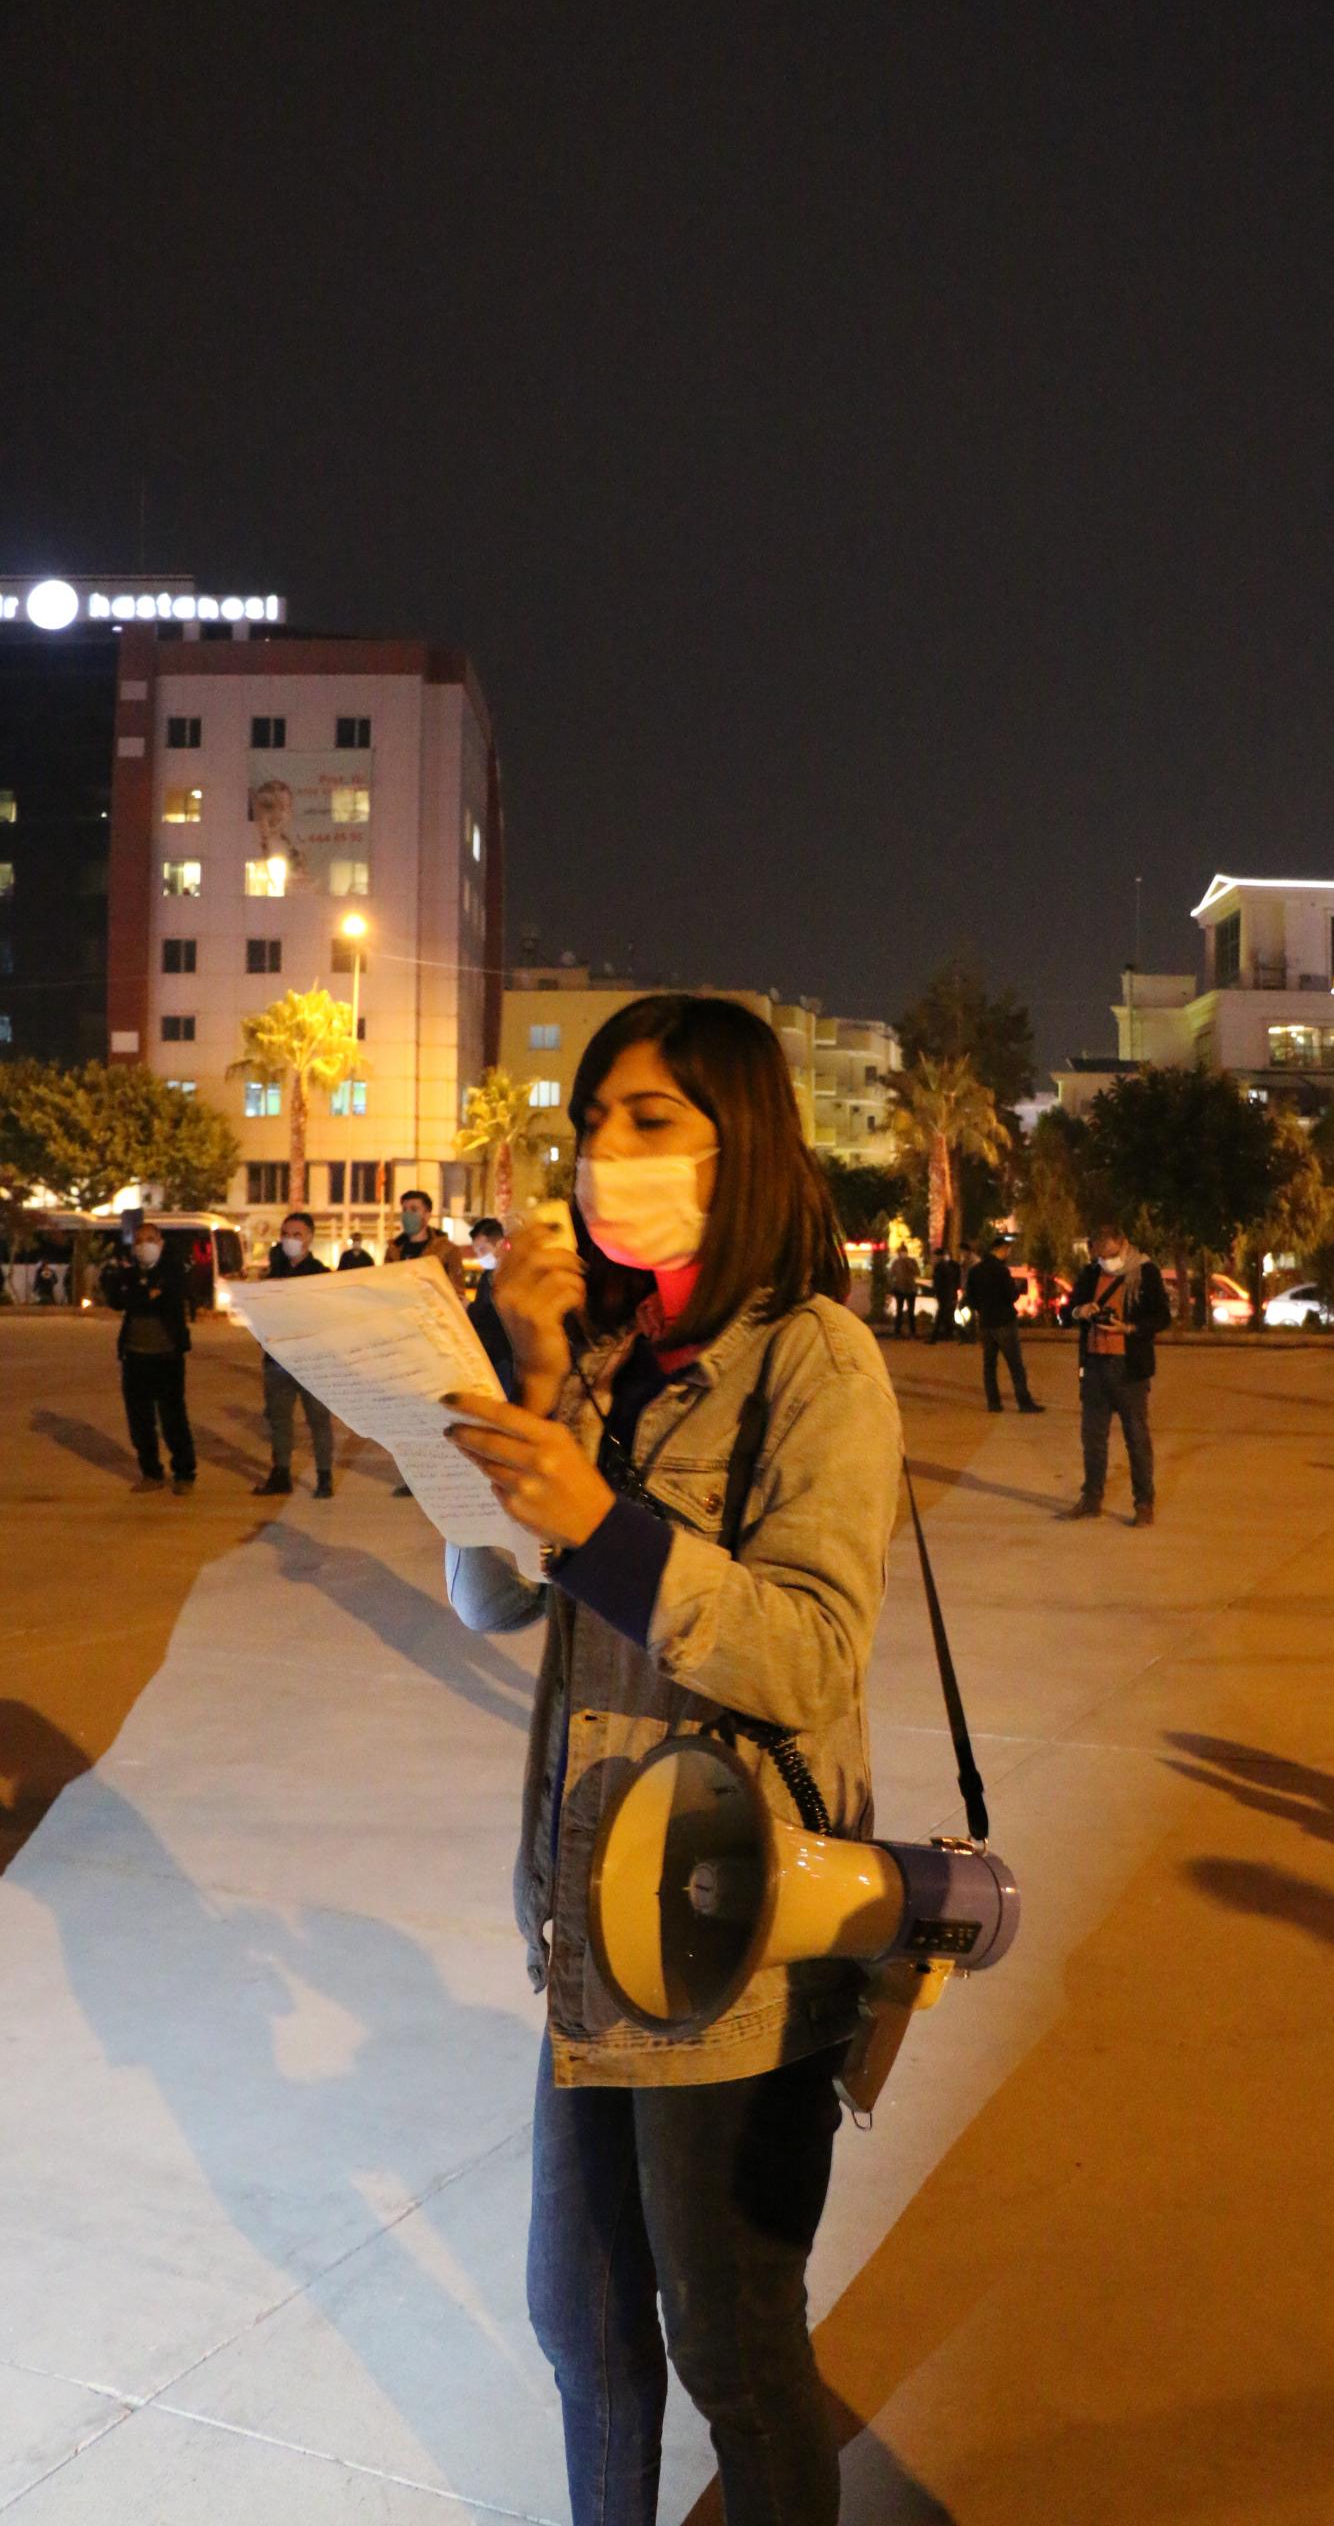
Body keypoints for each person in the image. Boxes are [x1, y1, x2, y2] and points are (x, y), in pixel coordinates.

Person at [440, 994, 901, 2526]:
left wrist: (598, 1525)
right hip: (594, 1912)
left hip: (731, 1937)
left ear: (740, 1140)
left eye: (648, 1120)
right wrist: (521, 1378)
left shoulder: (814, 1362)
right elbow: (490, 1598)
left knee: (730, 2342)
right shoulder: (605, 1359)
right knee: (579, 2322)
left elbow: (809, 1652)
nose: (604, 1155)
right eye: (591, 1125)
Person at [1062, 1224, 1172, 1524]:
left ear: (1123, 1245)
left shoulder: (1145, 1272)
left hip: (1129, 1367)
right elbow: (1065, 1313)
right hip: (1094, 1364)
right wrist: (1080, 1312)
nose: (1105, 1261)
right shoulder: (1090, 1273)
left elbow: (1162, 1317)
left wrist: (1129, 1328)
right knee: (1093, 1438)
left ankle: (1144, 1504)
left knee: (1136, 1437)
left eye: (1110, 1255)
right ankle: (1091, 1498)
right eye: (1100, 1256)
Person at [103, 1223, 196, 1494]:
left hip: (167, 1356)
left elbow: (169, 1300)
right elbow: (117, 1301)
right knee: (140, 1420)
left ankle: (184, 1473)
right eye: (139, 1240)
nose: (145, 1245)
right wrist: (147, 1293)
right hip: (134, 1356)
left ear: (161, 1243)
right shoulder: (129, 1273)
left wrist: (138, 1295)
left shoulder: (173, 1271)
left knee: (173, 1418)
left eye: (150, 1239)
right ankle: (151, 1473)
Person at [253, 1213, 337, 1498]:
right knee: (279, 1421)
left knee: (318, 1421)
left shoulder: (320, 1275)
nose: (290, 1240)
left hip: (311, 1362)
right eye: (286, 1234)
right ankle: (281, 1474)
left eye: (297, 1234)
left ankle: (324, 1477)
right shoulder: (274, 1273)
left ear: (310, 1238)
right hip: (277, 1361)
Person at [964, 1234, 1044, 1414]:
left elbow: (970, 1298)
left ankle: (993, 1403)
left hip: (986, 1323)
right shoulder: (1001, 1271)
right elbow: (1013, 1295)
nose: (1008, 1254)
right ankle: (1024, 1402)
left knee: (989, 1365)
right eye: (1007, 1251)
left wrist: (982, 1309)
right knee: (1015, 1365)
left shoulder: (975, 1271)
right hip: (1004, 1322)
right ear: (1001, 1250)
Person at [466, 1215, 517, 1398]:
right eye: (476, 1251)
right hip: (490, 1356)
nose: (480, 1256)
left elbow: (499, 1315)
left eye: (483, 1249)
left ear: (500, 1244)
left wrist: (470, 1308)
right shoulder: (486, 1277)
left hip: (508, 1357)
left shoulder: (514, 1275)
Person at [385, 1189, 466, 1285]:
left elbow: (456, 1288)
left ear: (427, 1215)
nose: (407, 1215)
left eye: (414, 1210)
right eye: (404, 1210)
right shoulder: (393, 1249)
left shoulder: (446, 1250)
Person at [929, 1249, 963, 1342]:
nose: (933, 1258)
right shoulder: (945, 1266)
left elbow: (940, 1282)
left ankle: (935, 1337)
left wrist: (936, 1291)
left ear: (938, 1256)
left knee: (942, 1316)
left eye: (935, 1256)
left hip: (944, 1294)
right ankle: (954, 1333)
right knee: (945, 1316)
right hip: (947, 1294)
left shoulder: (940, 1266)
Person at [889, 1244, 920, 1338]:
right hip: (900, 1289)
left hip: (911, 1289)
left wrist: (909, 1265)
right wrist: (893, 1285)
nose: (902, 1254)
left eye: (903, 1252)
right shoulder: (896, 1263)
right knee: (899, 1311)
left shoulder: (912, 1261)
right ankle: (897, 1331)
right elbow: (891, 1274)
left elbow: (917, 1272)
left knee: (911, 1312)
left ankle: (912, 1331)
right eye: (901, 1253)